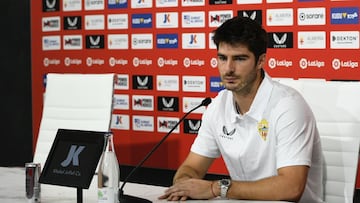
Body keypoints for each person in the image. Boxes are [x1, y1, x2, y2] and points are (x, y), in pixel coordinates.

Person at [158, 16, 324, 202]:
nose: (228, 68)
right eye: (222, 58)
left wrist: (216, 188)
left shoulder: (288, 106)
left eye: (239, 59)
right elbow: (192, 168)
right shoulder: (218, 106)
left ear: (260, 61)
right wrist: (184, 185)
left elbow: (291, 188)